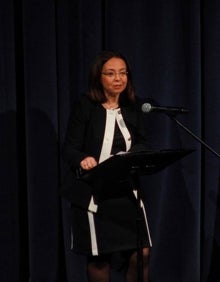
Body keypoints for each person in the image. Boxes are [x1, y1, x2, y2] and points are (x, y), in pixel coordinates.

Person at [62, 50, 152, 282]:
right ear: (98, 77)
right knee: (99, 259)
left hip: (126, 193)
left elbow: (142, 143)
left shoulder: (134, 106)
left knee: (140, 255)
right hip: (94, 194)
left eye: (123, 73)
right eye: (111, 73)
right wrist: (83, 159)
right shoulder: (86, 106)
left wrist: (130, 156)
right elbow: (70, 148)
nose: (118, 78)